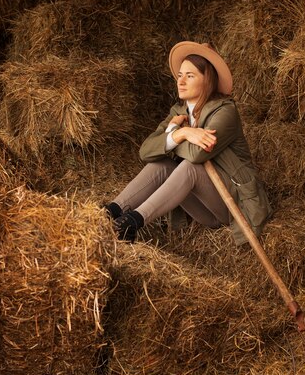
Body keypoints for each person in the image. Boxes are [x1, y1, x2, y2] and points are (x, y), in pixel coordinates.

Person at [104, 41, 271, 245]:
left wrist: (174, 135)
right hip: (203, 207)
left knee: (189, 167)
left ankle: (132, 222)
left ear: (207, 80)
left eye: (190, 76)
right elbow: (146, 152)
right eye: (180, 75)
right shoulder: (179, 112)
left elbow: (198, 155)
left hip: (233, 205)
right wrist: (181, 133)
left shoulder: (225, 112)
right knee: (161, 164)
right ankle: (110, 213)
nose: (180, 81)